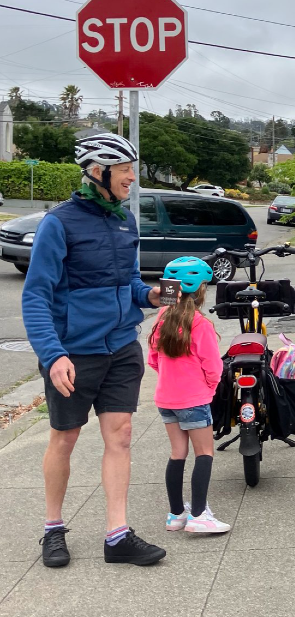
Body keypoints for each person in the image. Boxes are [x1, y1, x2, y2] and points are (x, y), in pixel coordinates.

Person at [24, 133, 166, 567]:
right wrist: (53, 355)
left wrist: (150, 296)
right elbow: (36, 295)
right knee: (65, 437)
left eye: (131, 169)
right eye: (124, 170)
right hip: (74, 353)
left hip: (121, 347)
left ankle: (117, 536)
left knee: (120, 435)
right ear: (98, 172)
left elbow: (128, 282)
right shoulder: (58, 223)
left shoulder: (125, 220)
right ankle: (53, 529)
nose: (132, 177)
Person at [148, 257, 231, 534]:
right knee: (204, 453)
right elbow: (213, 367)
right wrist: (209, 389)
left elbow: (153, 359)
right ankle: (198, 515)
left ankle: (176, 515)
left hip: (166, 398)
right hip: (194, 398)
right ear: (201, 290)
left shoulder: (161, 317)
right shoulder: (200, 323)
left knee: (177, 453)